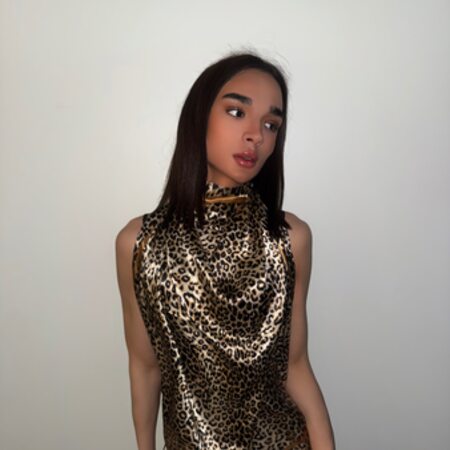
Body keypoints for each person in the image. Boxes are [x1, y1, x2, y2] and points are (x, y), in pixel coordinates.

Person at [115, 51, 335, 450]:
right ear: (199, 117)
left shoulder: (288, 239)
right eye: (237, 112)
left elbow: (295, 365)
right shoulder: (140, 244)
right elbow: (145, 367)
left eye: (270, 124)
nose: (256, 135)